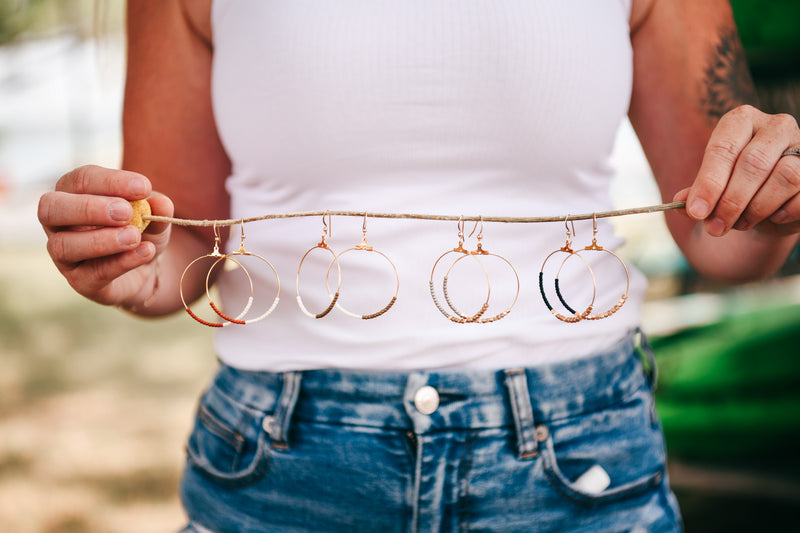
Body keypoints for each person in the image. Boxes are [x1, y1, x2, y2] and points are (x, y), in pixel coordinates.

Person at [38, 1, 800, 531]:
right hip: (285, 460)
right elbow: (184, 245)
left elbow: (723, 236)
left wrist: (774, 198)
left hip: (577, 455)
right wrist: (134, 266)